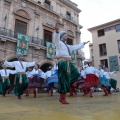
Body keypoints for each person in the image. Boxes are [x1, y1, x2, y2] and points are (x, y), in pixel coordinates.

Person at [54, 22, 89, 104]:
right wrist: (57, 30)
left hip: (68, 63)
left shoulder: (67, 46)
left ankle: (63, 85)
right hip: (62, 62)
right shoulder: (58, 43)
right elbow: (56, 38)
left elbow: (75, 47)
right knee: (63, 79)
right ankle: (62, 98)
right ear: (61, 36)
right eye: (65, 35)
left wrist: (83, 43)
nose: (67, 36)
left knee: (76, 73)